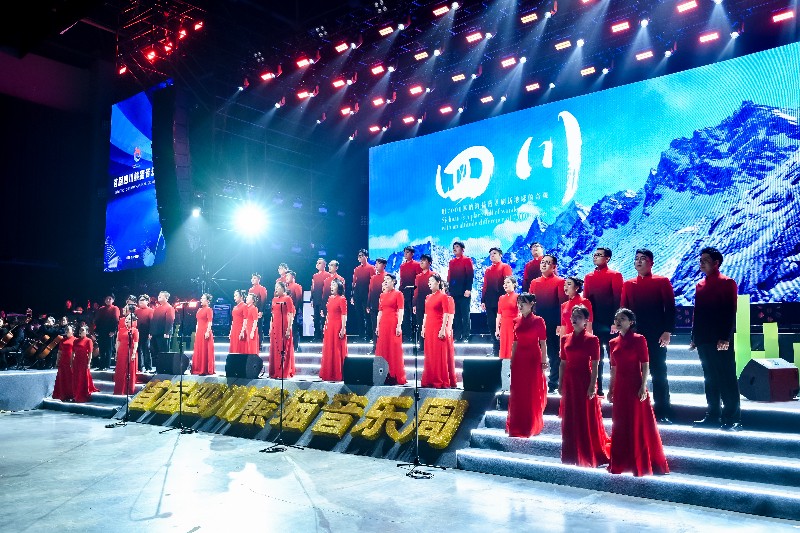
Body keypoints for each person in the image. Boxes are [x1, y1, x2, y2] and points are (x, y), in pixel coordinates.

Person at [607, 308, 670, 476]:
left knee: (637, 422)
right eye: (616, 318)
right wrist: (610, 388)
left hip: (635, 385)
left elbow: (645, 364)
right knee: (620, 423)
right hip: (620, 387)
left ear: (631, 322)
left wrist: (643, 386)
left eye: (622, 319)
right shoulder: (612, 342)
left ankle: (641, 461)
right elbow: (613, 368)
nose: (618, 321)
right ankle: (621, 461)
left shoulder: (639, 339)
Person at [620, 248, 676, 424]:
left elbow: (670, 308)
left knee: (658, 373)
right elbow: (623, 310)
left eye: (643, 258)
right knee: (633, 373)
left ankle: (663, 411)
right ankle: (636, 411)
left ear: (651, 263)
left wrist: (667, 331)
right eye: (636, 258)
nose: (638, 261)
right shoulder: (628, 284)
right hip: (634, 336)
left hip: (656, 335)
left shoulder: (662, 281)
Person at [691, 247, 741, 431]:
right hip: (703, 338)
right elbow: (698, 313)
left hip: (721, 339)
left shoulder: (727, 282)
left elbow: (730, 312)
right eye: (700, 260)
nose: (701, 263)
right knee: (710, 378)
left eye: (705, 260)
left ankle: (733, 418)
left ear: (716, 263)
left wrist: (725, 337)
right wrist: (694, 337)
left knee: (726, 377)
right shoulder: (700, 285)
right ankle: (713, 415)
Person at [558, 305, 610, 467]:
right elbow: (562, 363)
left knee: (585, 414)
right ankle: (572, 452)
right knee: (570, 414)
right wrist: (560, 382)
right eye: (573, 316)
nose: (575, 319)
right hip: (570, 379)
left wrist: (593, 385)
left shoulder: (592, 339)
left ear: (586, 320)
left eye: (579, 316)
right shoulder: (565, 339)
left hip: (584, 379)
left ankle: (588, 451)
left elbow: (595, 365)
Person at [505, 293, 548, 438]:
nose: (520, 305)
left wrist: (544, 361)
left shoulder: (539, 321)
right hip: (519, 359)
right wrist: (512, 361)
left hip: (533, 358)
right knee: (518, 391)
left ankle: (530, 425)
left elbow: (543, 343)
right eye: (518, 302)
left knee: (531, 390)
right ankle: (517, 425)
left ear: (532, 303)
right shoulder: (516, 321)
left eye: (523, 302)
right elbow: (515, 342)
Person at [583, 247, 623, 398]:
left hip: (610, 323)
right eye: (594, 255)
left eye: (599, 255)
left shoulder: (615, 275)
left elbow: (618, 299)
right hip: (595, 323)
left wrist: (616, 321)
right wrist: (587, 323)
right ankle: (597, 388)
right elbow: (586, 301)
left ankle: (615, 388)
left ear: (607, 258)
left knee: (614, 358)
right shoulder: (588, 277)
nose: (595, 257)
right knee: (596, 358)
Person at [529, 254, 567, 392]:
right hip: (536, 323)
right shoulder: (534, 282)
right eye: (542, 262)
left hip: (553, 323)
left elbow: (563, 305)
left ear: (554, 266)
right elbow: (530, 304)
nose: (544, 264)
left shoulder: (560, 281)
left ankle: (553, 382)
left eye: (547, 262)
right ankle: (536, 381)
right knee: (535, 352)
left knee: (553, 352)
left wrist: (561, 324)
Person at [421, 273, 455, 388]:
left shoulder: (443, 296)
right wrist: (423, 327)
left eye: (432, 281)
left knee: (438, 354)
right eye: (429, 282)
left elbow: (446, 313)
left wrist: (443, 329)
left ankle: (439, 379)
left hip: (438, 326)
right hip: (429, 327)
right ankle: (430, 379)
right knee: (429, 354)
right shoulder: (427, 297)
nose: (429, 283)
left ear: (438, 282)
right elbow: (426, 314)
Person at [375, 273, 406, 385]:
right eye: (385, 279)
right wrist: (377, 326)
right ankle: (383, 375)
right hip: (383, 323)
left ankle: (394, 374)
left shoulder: (398, 294)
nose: (386, 281)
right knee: (383, 347)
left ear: (394, 281)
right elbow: (380, 312)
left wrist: (399, 325)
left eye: (388, 279)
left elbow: (401, 310)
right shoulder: (382, 295)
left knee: (393, 348)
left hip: (393, 323)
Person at [482, 247, 513, 356]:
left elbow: (508, 284)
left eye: (494, 253)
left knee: (502, 325)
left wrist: (507, 298)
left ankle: (505, 349)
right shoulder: (488, 270)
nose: (492, 255)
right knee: (492, 325)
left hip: (502, 301)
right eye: (490, 254)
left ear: (500, 255)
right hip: (490, 301)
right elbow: (485, 285)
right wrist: (483, 300)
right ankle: (496, 349)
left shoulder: (505, 267)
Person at [320, 279, 348, 381]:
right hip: (329, 325)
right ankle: (328, 372)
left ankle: (337, 372)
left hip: (337, 326)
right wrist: (325, 324)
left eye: (334, 285)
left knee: (336, 348)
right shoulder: (330, 298)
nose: (332, 287)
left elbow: (344, 315)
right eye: (331, 285)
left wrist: (343, 328)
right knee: (329, 348)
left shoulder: (342, 299)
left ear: (339, 287)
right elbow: (328, 313)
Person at [448, 241, 475, 343]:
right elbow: (450, 277)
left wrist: (468, 289)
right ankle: (457, 335)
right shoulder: (451, 262)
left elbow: (470, 275)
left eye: (457, 247)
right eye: (453, 247)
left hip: (464, 292)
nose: (454, 249)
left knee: (465, 314)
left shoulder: (467, 260)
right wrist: (449, 290)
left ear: (462, 249)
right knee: (456, 315)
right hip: (454, 292)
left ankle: (466, 335)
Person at [269, 281, 295, 379]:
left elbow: (291, 314)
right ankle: (275, 370)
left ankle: (283, 371)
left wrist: (288, 329)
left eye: (278, 287)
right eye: (275, 287)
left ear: (283, 288)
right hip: (275, 326)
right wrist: (270, 327)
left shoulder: (287, 299)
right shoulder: (274, 299)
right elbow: (272, 315)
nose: (276, 289)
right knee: (275, 348)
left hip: (284, 325)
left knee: (283, 348)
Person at [399, 246, 423, 340]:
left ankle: (415, 335)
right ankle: (407, 335)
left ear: (412, 254)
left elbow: (419, 279)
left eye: (408, 252)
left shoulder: (417, 265)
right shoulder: (402, 266)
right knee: (405, 315)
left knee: (414, 315)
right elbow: (401, 280)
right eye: (405, 252)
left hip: (413, 293)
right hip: (404, 293)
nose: (405, 254)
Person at [351, 249, 375, 342]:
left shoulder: (371, 268)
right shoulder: (356, 269)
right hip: (357, 295)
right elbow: (354, 283)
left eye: (362, 255)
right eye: (359, 256)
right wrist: (352, 296)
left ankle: (369, 335)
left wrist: (371, 296)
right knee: (359, 315)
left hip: (367, 295)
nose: (360, 257)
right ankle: (361, 335)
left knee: (368, 315)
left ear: (366, 256)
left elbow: (372, 283)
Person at [114, 314, 139, 395]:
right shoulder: (120, 330)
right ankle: (119, 390)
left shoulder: (135, 330)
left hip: (130, 351)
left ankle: (128, 390)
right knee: (120, 370)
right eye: (126, 319)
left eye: (129, 319)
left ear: (133, 321)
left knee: (130, 371)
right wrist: (116, 353)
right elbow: (118, 342)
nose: (127, 321)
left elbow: (136, 342)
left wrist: (134, 353)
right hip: (122, 351)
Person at [72, 325, 98, 403]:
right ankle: (75, 394)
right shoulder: (76, 340)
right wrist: (71, 361)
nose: (81, 331)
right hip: (76, 360)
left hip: (84, 360)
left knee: (82, 377)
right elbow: (73, 352)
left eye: (83, 330)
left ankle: (81, 394)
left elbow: (90, 353)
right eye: (80, 330)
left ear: (86, 332)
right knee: (76, 377)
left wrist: (89, 363)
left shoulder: (88, 340)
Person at [93, 295, 119, 370]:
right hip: (101, 331)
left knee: (108, 349)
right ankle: (102, 365)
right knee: (101, 348)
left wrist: (113, 331)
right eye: (106, 299)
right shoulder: (101, 309)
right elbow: (97, 320)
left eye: (110, 299)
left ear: (113, 300)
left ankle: (107, 365)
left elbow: (116, 320)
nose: (108, 300)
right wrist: (96, 330)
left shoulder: (115, 308)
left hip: (109, 331)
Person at [413, 254, 436, 340]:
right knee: (420, 325)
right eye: (421, 260)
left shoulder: (434, 275)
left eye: (424, 260)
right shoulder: (418, 277)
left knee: (431, 325)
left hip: (431, 304)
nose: (421, 262)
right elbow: (416, 291)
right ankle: (422, 344)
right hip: (420, 304)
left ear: (429, 263)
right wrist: (414, 304)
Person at [191, 293, 215, 375]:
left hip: (205, 331)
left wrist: (208, 331)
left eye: (203, 298)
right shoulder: (199, 310)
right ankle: (198, 368)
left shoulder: (209, 309)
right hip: (199, 331)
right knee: (199, 349)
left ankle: (204, 368)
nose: (201, 300)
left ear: (208, 301)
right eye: (201, 298)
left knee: (204, 349)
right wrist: (196, 331)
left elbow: (210, 321)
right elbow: (197, 322)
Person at [496, 276, 520, 359]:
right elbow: (499, 314)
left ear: (514, 284)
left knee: (512, 346)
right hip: (504, 326)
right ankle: (505, 367)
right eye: (504, 283)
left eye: (508, 282)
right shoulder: (501, 298)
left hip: (513, 326)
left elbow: (520, 314)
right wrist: (497, 329)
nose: (505, 285)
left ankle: (514, 366)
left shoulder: (518, 297)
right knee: (504, 347)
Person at [367, 258, 387, 353]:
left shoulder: (387, 277)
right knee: (375, 327)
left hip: (384, 307)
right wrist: (368, 304)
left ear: (384, 265)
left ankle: (384, 348)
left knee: (383, 328)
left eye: (379, 263)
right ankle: (375, 348)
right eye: (376, 263)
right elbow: (370, 291)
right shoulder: (373, 278)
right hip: (374, 306)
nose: (376, 265)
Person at [150, 291, 175, 363]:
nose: (159, 296)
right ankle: (158, 367)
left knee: (163, 352)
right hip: (155, 333)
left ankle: (165, 366)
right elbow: (153, 321)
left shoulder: (169, 307)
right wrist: (151, 333)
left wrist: (167, 332)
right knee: (155, 352)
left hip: (163, 333)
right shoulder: (157, 308)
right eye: (159, 295)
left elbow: (170, 320)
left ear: (166, 298)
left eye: (161, 295)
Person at [52, 324, 75, 401]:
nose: (67, 331)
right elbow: (59, 352)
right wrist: (57, 361)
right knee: (63, 379)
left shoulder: (75, 340)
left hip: (71, 361)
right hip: (63, 361)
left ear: (72, 331)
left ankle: (72, 395)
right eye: (66, 329)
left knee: (71, 379)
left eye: (68, 329)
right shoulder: (62, 340)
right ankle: (64, 396)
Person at [310, 258, 330, 341]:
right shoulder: (314, 276)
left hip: (324, 300)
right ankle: (317, 336)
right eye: (317, 263)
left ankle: (324, 336)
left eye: (319, 263)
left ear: (324, 265)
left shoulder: (327, 275)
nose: (317, 264)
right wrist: (311, 298)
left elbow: (327, 289)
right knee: (316, 318)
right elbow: (312, 288)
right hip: (316, 300)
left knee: (323, 318)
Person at [322, 260, 345, 328]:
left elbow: (342, 294)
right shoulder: (326, 280)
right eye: (329, 265)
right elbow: (324, 295)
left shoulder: (340, 279)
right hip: (327, 306)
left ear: (336, 267)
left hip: (336, 308)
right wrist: (322, 308)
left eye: (332, 265)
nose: (330, 267)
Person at [285, 271, 303, 352]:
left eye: (288, 276)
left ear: (292, 276)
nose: (286, 277)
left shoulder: (297, 286)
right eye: (286, 276)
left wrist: (294, 310)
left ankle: (295, 346)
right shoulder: (285, 287)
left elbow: (299, 299)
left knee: (294, 328)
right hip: (286, 311)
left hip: (293, 311)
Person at [135, 295, 153, 372]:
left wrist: (150, 333)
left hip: (146, 333)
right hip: (137, 333)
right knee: (138, 349)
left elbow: (152, 323)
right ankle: (139, 367)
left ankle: (148, 367)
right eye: (140, 300)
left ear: (147, 301)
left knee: (146, 349)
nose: (141, 302)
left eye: (143, 300)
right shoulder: (136, 311)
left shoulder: (151, 310)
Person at [229, 289, 247, 354]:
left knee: (239, 347)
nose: (234, 297)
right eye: (234, 296)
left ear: (241, 297)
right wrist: (231, 331)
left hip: (240, 328)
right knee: (234, 347)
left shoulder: (244, 306)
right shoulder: (235, 307)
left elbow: (245, 319)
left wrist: (242, 331)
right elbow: (233, 320)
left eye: (236, 295)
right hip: (234, 329)